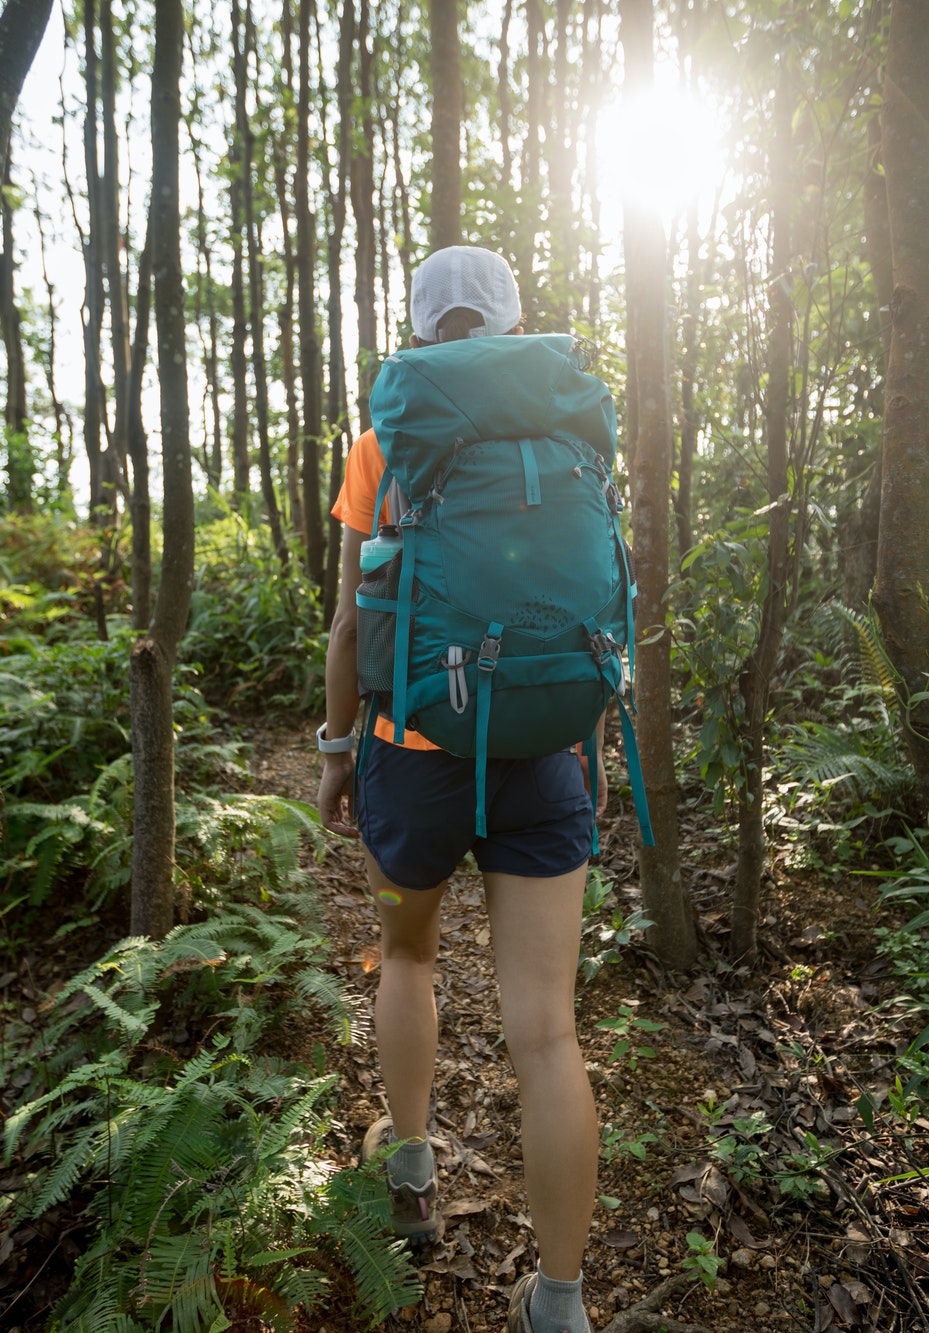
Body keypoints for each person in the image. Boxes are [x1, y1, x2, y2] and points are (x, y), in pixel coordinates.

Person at [317, 246, 602, 1333]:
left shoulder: (383, 441)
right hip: (542, 758)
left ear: (420, 325)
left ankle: (412, 1170)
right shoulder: (568, 432)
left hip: (410, 759)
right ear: (509, 322)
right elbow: (592, 607)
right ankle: (561, 1303)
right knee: (546, 1032)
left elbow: (351, 622)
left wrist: (337, 750)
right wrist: (589, 748)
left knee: (405, 951)